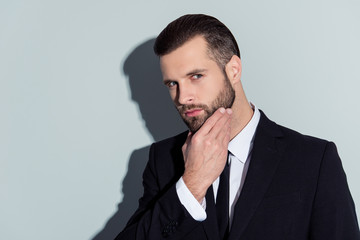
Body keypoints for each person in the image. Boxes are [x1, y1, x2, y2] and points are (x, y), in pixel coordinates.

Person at [115, 14, 360, 240]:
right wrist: (192, 185)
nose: (182, 97)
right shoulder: (162, 160)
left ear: (233, 69)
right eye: (172, 84)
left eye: (196, 76)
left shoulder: (314, 160)